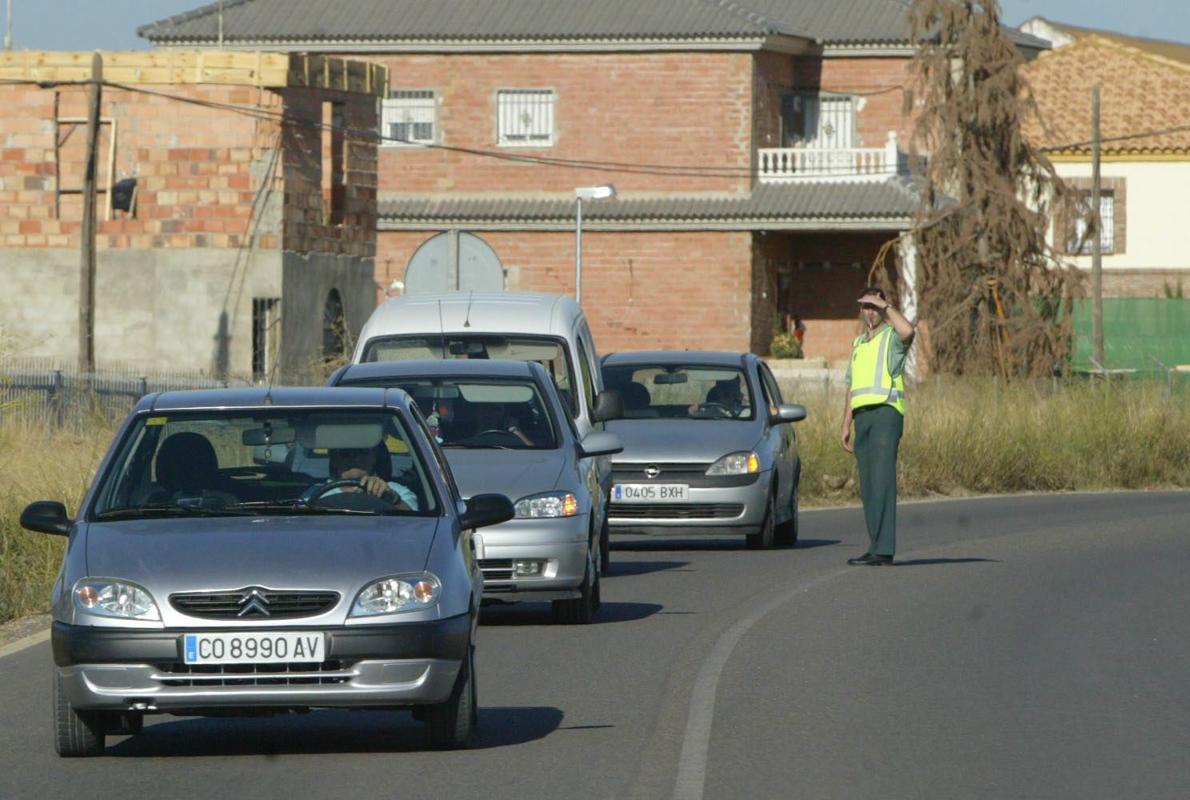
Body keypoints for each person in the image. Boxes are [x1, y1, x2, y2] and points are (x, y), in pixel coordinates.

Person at [839, 286, 915, 566]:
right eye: (865, 306)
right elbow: (851, 385)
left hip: (886, 413)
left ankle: (884, 549)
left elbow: (908, 331)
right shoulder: (859, 343)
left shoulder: (892, 337)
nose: (869, 311)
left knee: (882, 481)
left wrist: (887, 306)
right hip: (862, 417)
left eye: (874, 307)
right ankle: (875, 546)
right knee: (869, 484)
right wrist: (845, 423)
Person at [306, 444, 419, 510]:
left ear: (374, 457)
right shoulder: (314, 493)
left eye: (362, 451)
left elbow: (416, 524)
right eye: (345, 452)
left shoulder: (397, 491)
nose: (354, 457)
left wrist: (390, 497)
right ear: (334, 458)